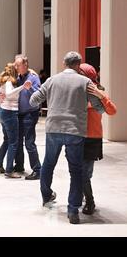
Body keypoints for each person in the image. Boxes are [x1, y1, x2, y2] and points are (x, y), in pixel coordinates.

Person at [29, 52, 104, 224]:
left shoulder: (52, 80)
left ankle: (46, 196)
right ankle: (73, 212)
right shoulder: (86, 82)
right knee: (76, 170)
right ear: (79, 65)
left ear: (64, 63)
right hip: (75, 131)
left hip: (53, 129)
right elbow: (99, 108)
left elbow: (33, 101)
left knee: (48, 163)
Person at [78, 63, 117, 215]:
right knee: (80, 172)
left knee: (86, 173)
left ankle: (88, 200)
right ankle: (83, 197)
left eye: (79, 72)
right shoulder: (77, 90)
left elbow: (112, 110)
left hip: (92, 137)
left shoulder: (97, 91)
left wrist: (101, 96)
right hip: (76, 135)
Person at [0, 63, 30, 178]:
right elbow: (9, 94)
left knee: (6, 140)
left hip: (3, 112)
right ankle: (9, 170)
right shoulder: (9, 82)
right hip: (10, 112)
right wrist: (22, 87)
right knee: (13, 142)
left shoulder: (4, 81)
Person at [13, 55, 42, 180]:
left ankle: (37, 170)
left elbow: (39, 95)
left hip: (30, 113)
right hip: (18, 114)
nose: (16, 67)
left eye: (18, 65)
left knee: (29, 142)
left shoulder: (33, 78)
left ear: (25, 65)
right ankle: (19, 165)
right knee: (18, 142)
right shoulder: (17, 78)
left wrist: (30, 89)